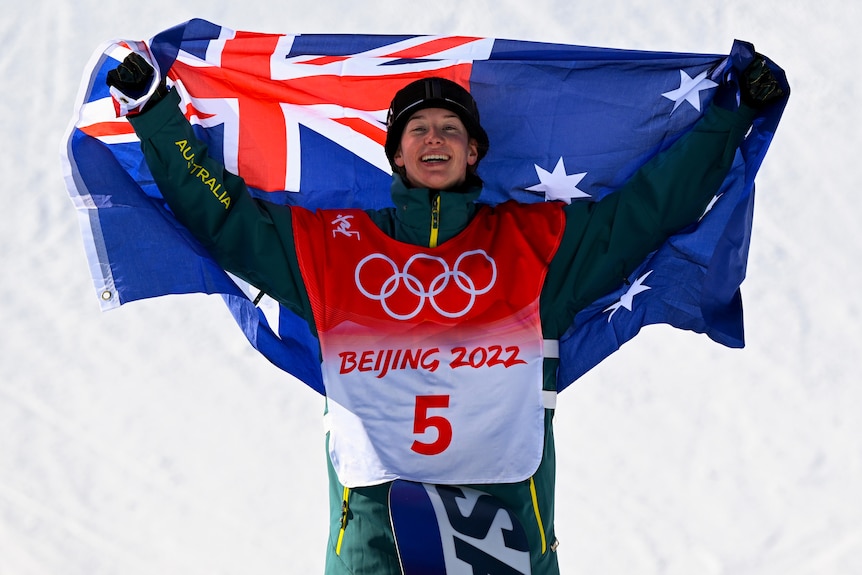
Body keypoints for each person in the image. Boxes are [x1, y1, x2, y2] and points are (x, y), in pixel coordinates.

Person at [107, 51, 783, 574]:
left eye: (451, 130)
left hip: (508, 538)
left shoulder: (536, 244)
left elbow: (649, 209)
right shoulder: (332, 249)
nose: (435, 140)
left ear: (474, 151)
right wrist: (154, 110)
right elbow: (225, 218)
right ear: (394, 152)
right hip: (374, 540)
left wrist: (731, 116)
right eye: (418, 130)